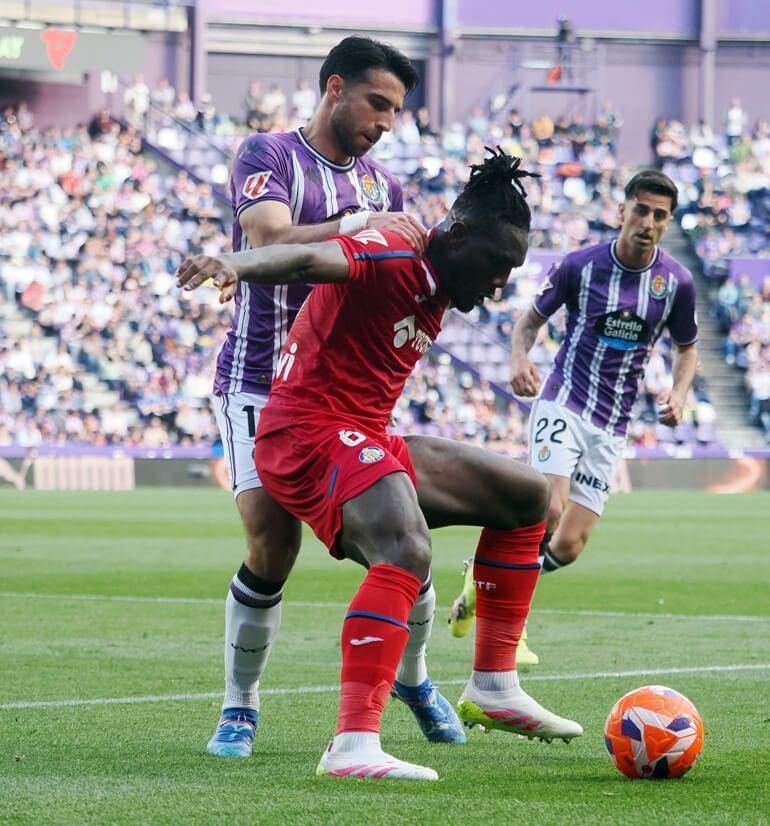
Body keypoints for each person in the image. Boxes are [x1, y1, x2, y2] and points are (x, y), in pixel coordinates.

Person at [178, 149, 582, 781]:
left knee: (531, 497)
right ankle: (352, 744)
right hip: (304, 434)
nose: (501, 284)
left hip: (362, 432)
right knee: (403, 546)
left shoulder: (443, 279)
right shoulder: (396, 250)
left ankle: (494, 684)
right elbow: (312, 259)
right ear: (456, 234)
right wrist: (233, 262)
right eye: (498, 264)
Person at [204, 36, 448, 761]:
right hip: (257, 378)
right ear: (334, 88)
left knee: (401, 537)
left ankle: (414, 676)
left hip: (342, 395)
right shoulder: (267, 155)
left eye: (396, 111)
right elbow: (269, 238)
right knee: (271, 544)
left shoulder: (386, 187)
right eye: (377, 103)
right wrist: (354, 227)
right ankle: (240, 705)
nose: (385, 122)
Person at [448, 170, 699, 664]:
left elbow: (686, 348)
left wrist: (679, 391)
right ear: (623, 209)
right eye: (642, 210)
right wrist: (519, 360)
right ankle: (510, 626)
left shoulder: (676, 283)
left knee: (571, 543)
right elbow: (529, 322)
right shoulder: (580, 266)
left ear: (668, 223)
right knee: (549, 509)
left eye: (660, 216)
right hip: (564, 399)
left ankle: (482, 587)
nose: (648, 222)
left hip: (612, 423)